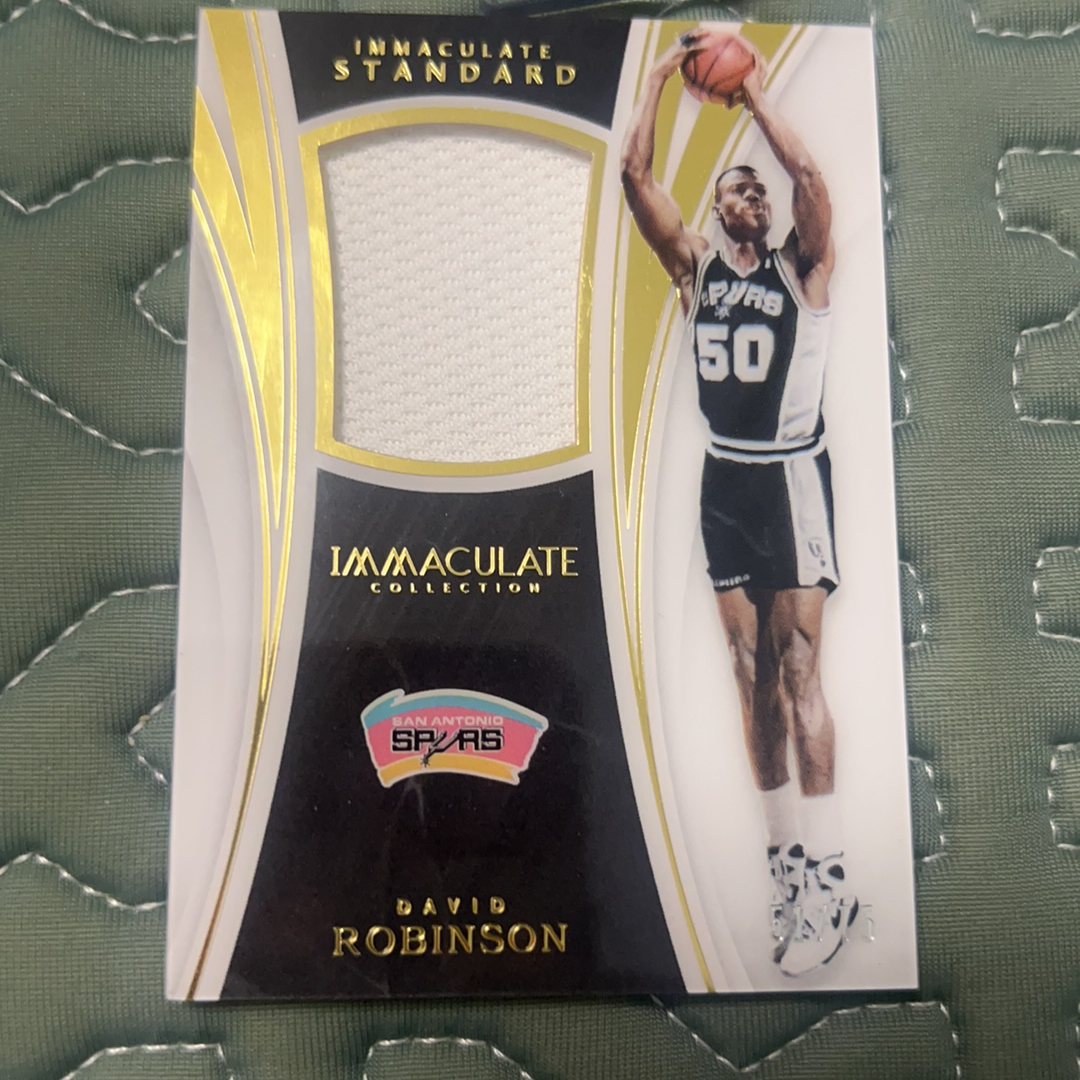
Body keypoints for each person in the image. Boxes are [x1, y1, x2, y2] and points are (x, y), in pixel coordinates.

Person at [620, 30, 857, 976]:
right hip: (726, 479)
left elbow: (811, 177)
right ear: (716, 215)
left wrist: (751, 91)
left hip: (791, 475)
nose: (754, 194)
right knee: (746, 672)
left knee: (799, 669)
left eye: (760, 189)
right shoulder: (695, 273)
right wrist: (656, 74)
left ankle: (831, 877)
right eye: (736, 189)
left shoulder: (805, 267)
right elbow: (635, 174)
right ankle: (786, 864)